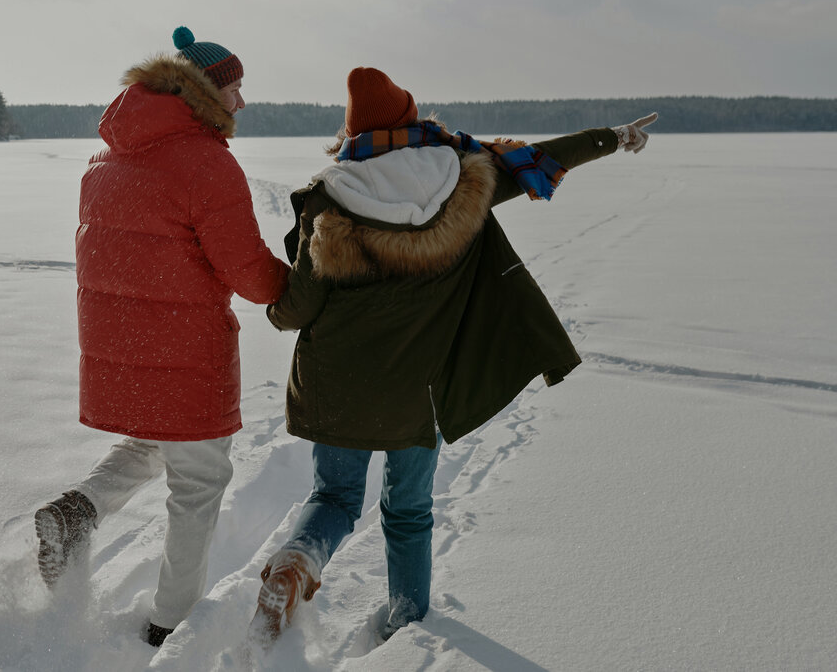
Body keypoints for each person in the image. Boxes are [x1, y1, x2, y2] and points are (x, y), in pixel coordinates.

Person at [248, 67, 658, 646]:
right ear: (412, 121)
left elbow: (299, 307)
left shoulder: (328, 197)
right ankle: (406, 624)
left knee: (335, 497)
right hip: (420, 390)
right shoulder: (465, 178)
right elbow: (545, 155)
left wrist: (273, 310)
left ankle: (295, 565)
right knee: (408, 510)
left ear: (353, 134)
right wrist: (612, 137)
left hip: (338, 381)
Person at [34, 26, 290, 648]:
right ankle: (170, 623)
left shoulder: (108, 158)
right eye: (234, 88)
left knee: (154, 439)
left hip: (120, 342)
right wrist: (302, 287)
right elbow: (248, 271)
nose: (242, 101)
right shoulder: (207, 162)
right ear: (203, 92)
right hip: (185, 345)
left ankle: (79, 510)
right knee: (197, 482)